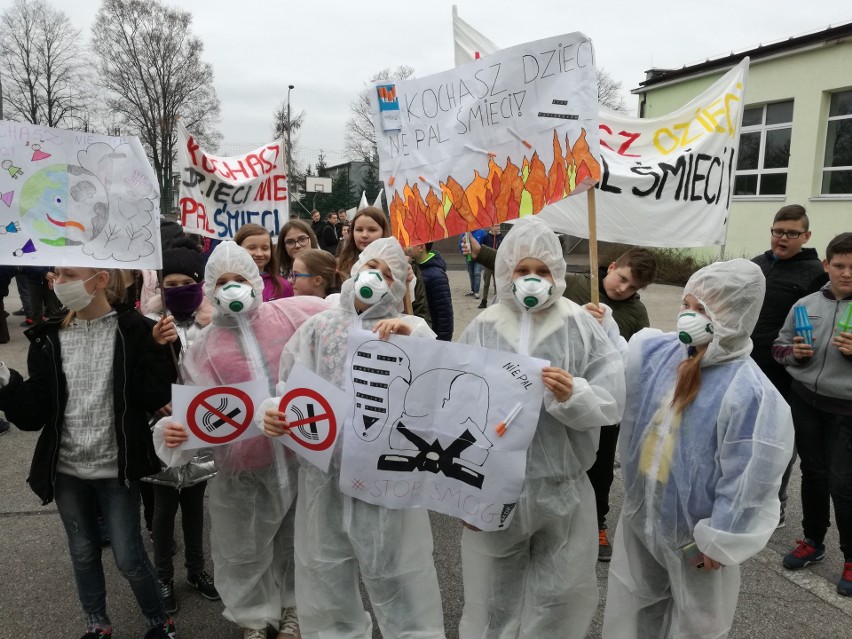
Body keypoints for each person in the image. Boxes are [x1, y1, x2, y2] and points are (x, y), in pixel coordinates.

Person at [263, 237, 445, 639]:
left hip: (385, 481)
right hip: (323, 479)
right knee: (326, 577)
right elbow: (292, 388)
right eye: (371, 267)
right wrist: (275, 412)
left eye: (386, 275)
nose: (374, 279)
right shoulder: (320, 327)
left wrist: (410, 342)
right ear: (355, 267)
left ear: (399, 287)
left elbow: (437, 394)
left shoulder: (411, 329)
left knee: (398, 577)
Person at [602, 259, 794, 639]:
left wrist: (722, 539)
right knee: (635, 608)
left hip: (696, 538)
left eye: (702, 310)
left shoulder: (748, 391)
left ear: (735, 316)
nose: (688, 316)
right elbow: (616, 364)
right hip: (644, 517)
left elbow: (750, 477)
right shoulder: (663, 354)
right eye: (686, 306)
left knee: (697, 624)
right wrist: (601, 327)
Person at [457, 218, 625, 639]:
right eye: (522, 270)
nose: (532, 279)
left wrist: (574, 394)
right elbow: (458, 403)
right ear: (505, 272)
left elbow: (610, 400)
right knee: (493, 594)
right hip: (495, 486)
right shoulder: (485, 326)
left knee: (560, 594)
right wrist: (462, 492)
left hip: (562, 488)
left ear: (558, 274)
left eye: (543, 271)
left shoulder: (579, 324)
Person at [154, 241, 327, 639]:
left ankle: (294, 609)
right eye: (223, 281)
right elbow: (200, 414)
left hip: (299, 450)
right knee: (247, 547)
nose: (233, 288)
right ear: (211, 289)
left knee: (301, 539)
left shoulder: (294, 313)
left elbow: (344, 320)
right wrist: (178, 434)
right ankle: (254, 616)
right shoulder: (202, 347)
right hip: (245, 465)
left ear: (256, 280)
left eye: (241, 279)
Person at [0, 266, 179, 639]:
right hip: (66, 470)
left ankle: (159, 621)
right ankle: (97, 624)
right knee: (82, 553)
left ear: (99, 280)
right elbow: (34, 413)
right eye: (55, 274)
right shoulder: (49, 337)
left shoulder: (135, 331)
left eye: (67, 274)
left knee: (129, 558)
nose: (55, 279)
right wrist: (6, 381)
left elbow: (153, 397)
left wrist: (161, 351)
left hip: (116, 468)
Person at [773, 232, 852, 595]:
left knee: (844, 483)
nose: (846, 273)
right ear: (827, 265)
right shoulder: (805, 304)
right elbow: (779, 346)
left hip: (846, 410)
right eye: (839, 265)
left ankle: (851, 557)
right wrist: (795, 354)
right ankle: (813, 540)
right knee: (813, 474)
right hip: (805, 400)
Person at [142, 239, 218, 615]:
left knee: (194, 504)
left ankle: (197, 570)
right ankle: (163, 577)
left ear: (198, 282)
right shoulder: (148, 326)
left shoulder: (212, 324)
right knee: (163, 509)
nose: (177, 290)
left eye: (184, 282)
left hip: (200, 428)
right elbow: (137, 378)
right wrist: (157, 401)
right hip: (163, 432)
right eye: (168, 284)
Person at [573, 248, 657, 561]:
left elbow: (637, 358)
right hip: (566, 392)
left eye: (632, 286)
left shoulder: (636, 314)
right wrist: (480, 251)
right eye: (622, 278)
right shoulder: (577, 286)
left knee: (601, 467)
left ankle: (597, 524)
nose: (622, 288)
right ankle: (556, 522)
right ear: (611, 267)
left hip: (607, 402)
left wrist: (610, 331)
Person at [750, 205, 826, 528]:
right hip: (745, 367)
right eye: (777, 231)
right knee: (743, 437)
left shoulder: (815, 275)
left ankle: (774, 506)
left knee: (779, 444)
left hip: (784, 375)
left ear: (806, 236)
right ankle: (745, 497)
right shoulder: (757, 264)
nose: (782, 238)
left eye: (791, 233)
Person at [337, 206, 432, 327]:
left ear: (383, 231)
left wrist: (407, 286)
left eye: (372, 230)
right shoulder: (342, 265)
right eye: (359, 229)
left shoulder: (404, 268)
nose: (364, 235)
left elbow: (420, 313)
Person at [406, 241, 454, 341]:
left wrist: (442, 342)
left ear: (420, 247)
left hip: (432, 336)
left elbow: (445, 315)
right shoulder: (413, 267)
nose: (406, 247)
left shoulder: (437, 276)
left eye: (409, 243)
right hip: (418, 333)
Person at [234, 223, 293, 302]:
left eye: (265, 248)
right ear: (236, 249)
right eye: (252, 248)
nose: (259, 254)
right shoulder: (225, 284)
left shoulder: (284, 286)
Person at [478, 224, 504, 308]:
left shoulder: (502, 237)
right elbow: (482, 248)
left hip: (498, 263)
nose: (498, 227)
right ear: (491, 227)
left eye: (499, 226)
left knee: (497, 283)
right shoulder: (486, 237)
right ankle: (484, 300)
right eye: (496, 226)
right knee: (486, 283)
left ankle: (497, 301)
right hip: (488, 263)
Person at [459, 228, 487, 299]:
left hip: (478, 257)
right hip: (468, 257)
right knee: (471, 274)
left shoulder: (481, 232)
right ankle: (473, 290)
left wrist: (482, 254)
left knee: (477, 274)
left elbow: (485, 244)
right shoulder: (464, 233)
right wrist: (463, 253)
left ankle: (476, 291)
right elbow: (460, 244)